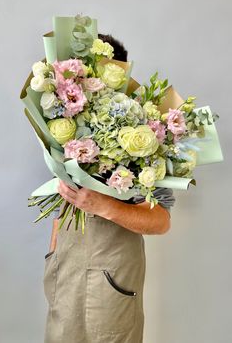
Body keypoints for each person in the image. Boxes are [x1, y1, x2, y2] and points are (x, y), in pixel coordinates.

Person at [43, 35, 175, 343]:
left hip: (113, 280)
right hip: (64, 274)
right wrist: (53, 256)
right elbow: (58, 199)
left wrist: (103, 205)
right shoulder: (65, 129)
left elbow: (161, 220)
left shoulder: (143, 141)